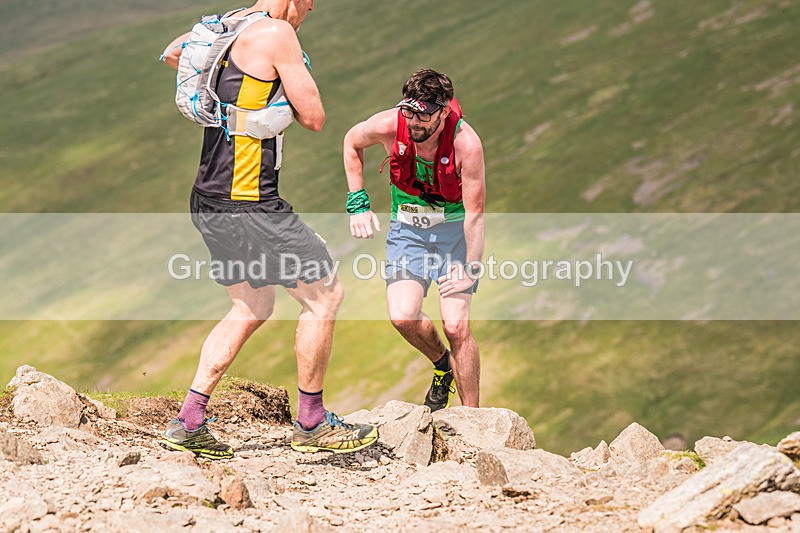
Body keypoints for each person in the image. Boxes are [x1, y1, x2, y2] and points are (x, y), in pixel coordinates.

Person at [159, 0, 377, 459]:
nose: (305, 15)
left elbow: (175, 52)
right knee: (325, 296)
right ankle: (312, 423)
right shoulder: (278, 35)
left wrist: (242, 94)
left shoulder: (227, 23)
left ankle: (189, 421)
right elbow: (314, 117)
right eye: (308, 7)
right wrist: (288, 76)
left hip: (208, 196)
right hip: (249, 200)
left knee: (251, 306)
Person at [343, 68, 486, 412]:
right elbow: (351, 141)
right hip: (408, 232)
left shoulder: (466, 144)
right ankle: (442, 366)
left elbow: (475, 213)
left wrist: (471, 268)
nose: (415, 122)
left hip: (454, 236)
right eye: (410, 111)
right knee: (403, 316)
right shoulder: (391, 124)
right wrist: (357, 203)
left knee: (456, 325)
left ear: (444, 111)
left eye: (424, 115)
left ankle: (473, 418)